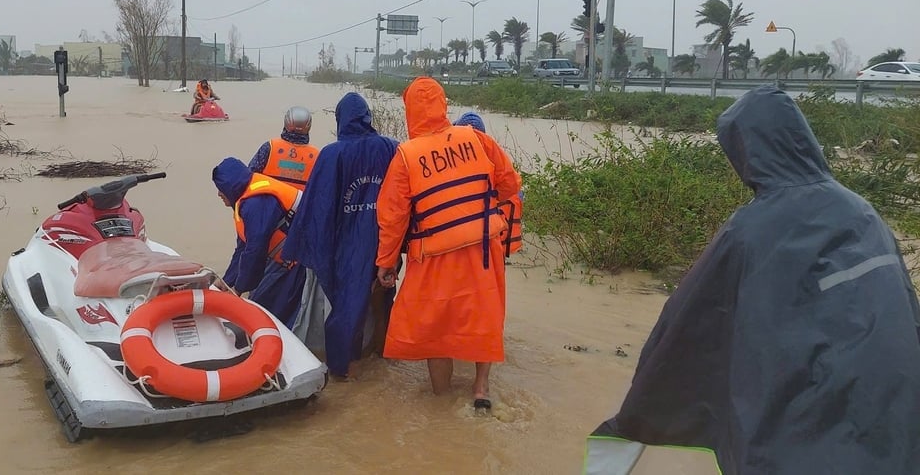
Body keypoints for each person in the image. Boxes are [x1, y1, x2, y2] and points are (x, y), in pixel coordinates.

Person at [584, 86, 920, 474]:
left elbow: (686, 321)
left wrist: (637, 413)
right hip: (895, 397)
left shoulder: (751, 228)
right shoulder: (864, 211)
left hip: (801, 414)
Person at [375, 77, 520, 409]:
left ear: (410, 110)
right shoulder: (477, 139)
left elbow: (393, 216)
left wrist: (386, 263)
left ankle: (441, 401)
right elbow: (510, 184)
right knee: (485, 317)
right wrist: (473, 209)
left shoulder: (407, 155)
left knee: (436, 327)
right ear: (444, 104)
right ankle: (480, 389)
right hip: (484, 248)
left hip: (435, 255)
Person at [281, 92, 398, 378]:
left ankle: (342, 371)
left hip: (346, 246)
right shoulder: (391, 148)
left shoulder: (332, 154)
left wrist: (300, 248)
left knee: (347, 305)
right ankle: (384, 357)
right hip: (386, 243)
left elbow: (317, 206)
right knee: (382, 301)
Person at [212, 157, 307, 326]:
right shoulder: (245, 200)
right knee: (262, 300)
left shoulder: (256, 203)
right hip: (287, 259)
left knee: (264, 309)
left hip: (301, 262)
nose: (218, 194)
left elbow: (256, 249)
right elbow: (243, 248)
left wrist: (239, 289)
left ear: (230, 187)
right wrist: (226, 282)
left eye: (220, 189)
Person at [453, 112, 524, 258]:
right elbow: (511, 185)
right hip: (491, 238)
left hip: (458, 239)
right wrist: (492, 199)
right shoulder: (493, 155)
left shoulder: (451, 158)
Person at [248, 106, 320, 191]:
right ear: (308, 127)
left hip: (268, 201)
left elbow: (249, 176)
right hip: (300, 203)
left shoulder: (270, 147)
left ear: (286, 122)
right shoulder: (316, 155)